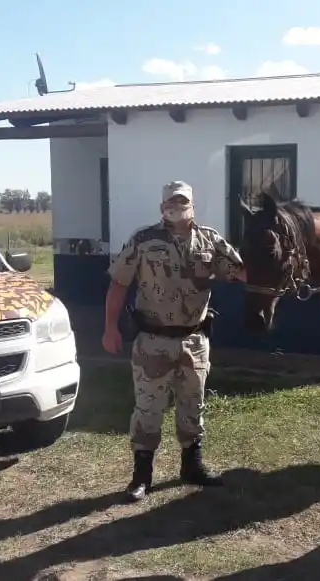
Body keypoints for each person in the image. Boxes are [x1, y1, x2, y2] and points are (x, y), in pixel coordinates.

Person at [103, 180, 247, 502]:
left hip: (194, 341)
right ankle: (142, 476)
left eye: (183, 201)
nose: (177, 206)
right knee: (148, 409)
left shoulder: (210, 240)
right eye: (171, 201)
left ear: (192, 205)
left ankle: (191, 467)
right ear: (161, 206)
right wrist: (110, 327)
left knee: (192, 406)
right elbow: (117, 284)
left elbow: (243, 272)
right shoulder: (143, 240)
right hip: (153, 340)